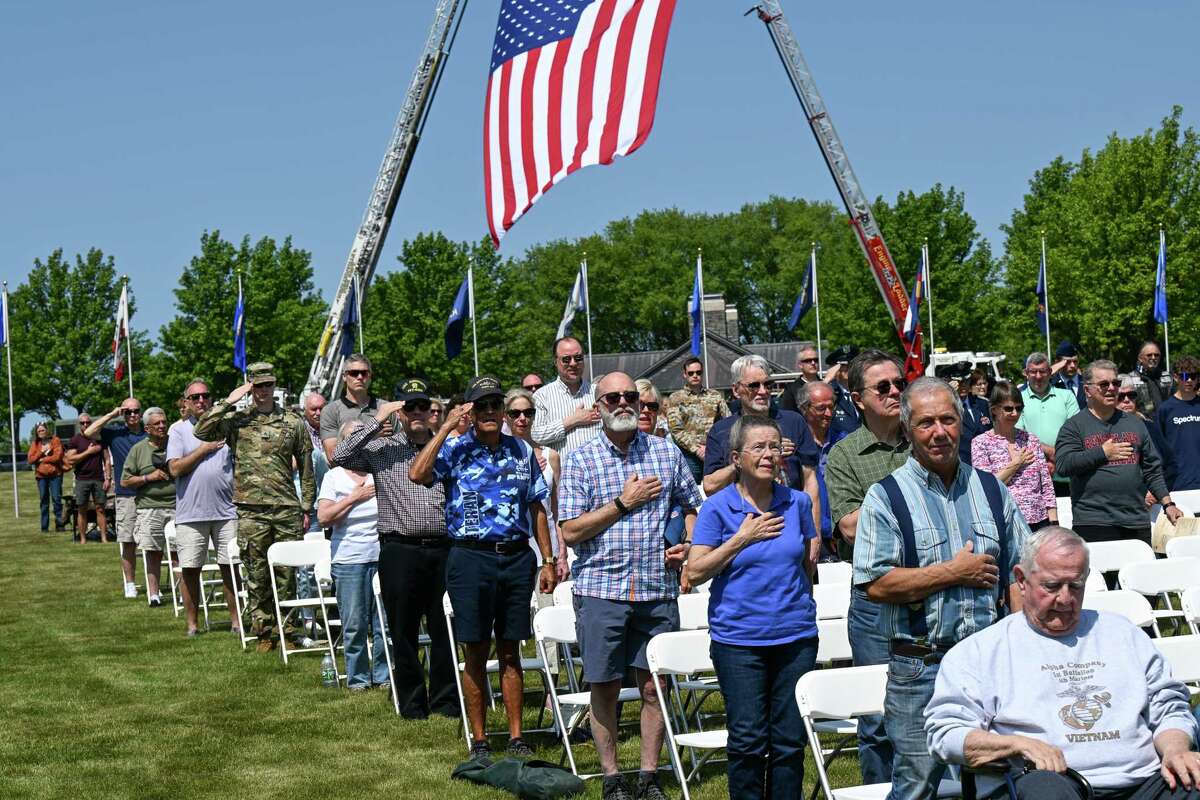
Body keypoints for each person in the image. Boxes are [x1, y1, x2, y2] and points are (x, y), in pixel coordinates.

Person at [926, 527, 1200, 799]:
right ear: (1021, 579)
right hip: (1052, 783)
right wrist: (1018, 744)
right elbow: (946, 735)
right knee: (1045, 791)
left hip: (1144, 781)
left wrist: (1176, 749)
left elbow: (1167, 706)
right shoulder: (981, 651)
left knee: (1192, 777)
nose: (1065, 598)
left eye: (1076, 586)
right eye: (1052, 586)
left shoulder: (1123, 633)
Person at [854, 376, 1030, 800]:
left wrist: (1023, 640)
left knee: (1002, 781)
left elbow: (1022, 568)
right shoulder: (886, 496)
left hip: (989, 665)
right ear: (908, 430)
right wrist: (953, 572)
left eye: (948, 420)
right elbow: (875, 584)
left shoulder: (991, 490)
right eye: (926, 423)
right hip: (921, 668)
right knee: (917, 787)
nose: (939, 432)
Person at [558, 372, 702, 800]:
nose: (623, 403)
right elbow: (569, 531)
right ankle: (611, 777)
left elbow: (692, 504)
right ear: (598, 406)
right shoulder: (581, 459)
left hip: (657, 589)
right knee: (602, 684)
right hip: (603, 588)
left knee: (653, 686)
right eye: (613, 397)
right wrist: (623, 504)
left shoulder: (664, 452)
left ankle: (648, 776)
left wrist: (689, 543)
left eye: (629, 397)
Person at [409, 375, 556, 760]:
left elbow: (537, 506)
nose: (490, 412)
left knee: (511, 650)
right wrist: (443, 429)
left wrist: (549, 558)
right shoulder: (456, 448)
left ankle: (516, 735)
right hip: (470, 557)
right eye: (482, 406)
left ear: (504, 413)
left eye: (496, 405)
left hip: (515, 555)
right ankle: (479, 738)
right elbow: (418, 474)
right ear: (470, 412)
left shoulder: (521, 451)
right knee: (475, 649)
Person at [688, 416, 819, 799]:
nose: (768, 454)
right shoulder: (717, 508)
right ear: (736, 457)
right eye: (758, 447)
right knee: (747, 740)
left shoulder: (796, 503)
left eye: (774, 446)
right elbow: (694, 572)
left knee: (790, 741)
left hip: (795, 638)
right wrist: (740, 539)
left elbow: (806, 563)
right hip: (739, 641)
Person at [332, 377, 456, 719]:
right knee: (402, 630)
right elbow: (339, 455)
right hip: (400, 549)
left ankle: (446, 701)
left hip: (443, 548)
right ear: (399, 411)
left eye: (423, 406)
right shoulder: (383, 448)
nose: (417, 413)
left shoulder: (446, 445)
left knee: (445, 628)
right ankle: (412, 702)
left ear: (432, 411)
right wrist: (378, 419)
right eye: (409, 406)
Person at [823, 348, 911, 784]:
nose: (895, 391)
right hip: (875, 599)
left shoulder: (929, 439)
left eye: (899, 383)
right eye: (883, 387)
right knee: (877, 716)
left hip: (932, 591)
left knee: (938, 708)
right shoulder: (845, 455)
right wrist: (912, 505)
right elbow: (853, 529)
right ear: (858, 398)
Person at [194, 362, 316, 653]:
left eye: (267, 385)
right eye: (257, 386)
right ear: (251, 387)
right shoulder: (238, 420)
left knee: (287, 573)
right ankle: (264, 631)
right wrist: (229, 401)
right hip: (250, 509)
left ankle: (287, 628)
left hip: (286, 507)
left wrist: (307, 507)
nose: (263, 391)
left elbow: (307, 466)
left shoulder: (293, 422)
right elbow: (202, 431)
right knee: (256, 573)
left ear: (274, 386)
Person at [1055, 359, 1182, 545]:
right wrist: (1102, 452)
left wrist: (1168, 504)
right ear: (1087, 390)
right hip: (1094, 522)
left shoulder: (1135, 424)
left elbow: (1152, 469)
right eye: (1104, 384)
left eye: (1116, 383)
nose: (1112, 388)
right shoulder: (1074, 426)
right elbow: (1064, 465)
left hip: (1136, 520)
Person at [317, 420, 387, 690]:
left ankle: (383, 676)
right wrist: (353, 498)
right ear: (345, 443)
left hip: (382, 556)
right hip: (349, 559)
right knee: (355, 623)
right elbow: (324, 517)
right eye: (355, 437)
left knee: (384, 623)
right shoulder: (333, 477)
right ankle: (357, 679)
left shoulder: (380, 471)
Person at [167, 380, 239, 637]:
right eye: (194, 397)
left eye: (205, 396)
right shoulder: (178, 430)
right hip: (191, 513)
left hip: (227, 511)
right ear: (186, 402)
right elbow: (175, 468)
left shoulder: (226, 427)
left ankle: (236, 621)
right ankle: (192, 624)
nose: (200, 401)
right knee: (190, 568)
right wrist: (204, 449)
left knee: (230, 566)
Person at [703, 354, 818, 497]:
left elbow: (810, 481)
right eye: (754, 386)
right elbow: (709, 487)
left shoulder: (794, 422)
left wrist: (811, 519)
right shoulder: (721, 430)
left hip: (790, 512)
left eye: (767, 384)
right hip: (742, 517)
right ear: (736, 390)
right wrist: (744, 461)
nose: (763, 391)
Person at [971, 381, 1057, 530]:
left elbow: (1046, 486)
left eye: (1019, 408)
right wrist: (1016, 464)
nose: (1015, 414)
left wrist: (1054, 522)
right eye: (1008, 408)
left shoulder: (1031, 439)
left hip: (1040, 523)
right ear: (994, 410)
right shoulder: (981, 443)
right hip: (1005, 523)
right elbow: (986, 487)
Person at [504, 387, 568, 580]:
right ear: (505, 417)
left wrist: (563, 554)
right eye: (515, 413)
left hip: (548, 551)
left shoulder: (551, 456)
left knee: (547, 607)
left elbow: (558, 512)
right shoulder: (497, 459)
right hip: (513, 549)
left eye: (528, 413)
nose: (522, 418)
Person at [85, 399, 147, 590]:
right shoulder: (115, 433)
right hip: (126, 496)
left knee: (154, 544)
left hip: (151, 494)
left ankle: (155, 587)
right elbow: (88, 432)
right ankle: (130, 584)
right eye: (128, 412)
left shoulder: (149, 432)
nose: (132, 415)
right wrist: (112, 414)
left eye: (136, 411)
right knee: (128, 541)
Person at [120, 407, 175, 608]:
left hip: (178, 505)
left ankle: (181, 592)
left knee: (179, 552)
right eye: (157, 424)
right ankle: (154, 594)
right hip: (149, 508)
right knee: (153, 551)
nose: (162, 426)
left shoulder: (175, 444)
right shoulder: (138, 450)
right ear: (147, 429)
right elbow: (125, 481)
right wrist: (147, 477)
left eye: (164, 422)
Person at [1018, 352, 1080, 498]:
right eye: (1033, 372)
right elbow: (1018, 435)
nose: (1038, 376)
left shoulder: (1067, 396)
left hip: (1065, 473)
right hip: (1031, 474)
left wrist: (1059, 456)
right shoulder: (1017, 398)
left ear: (1050, 372)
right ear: (1026, 373)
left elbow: (1076, 431)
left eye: (1043, 371)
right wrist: (1048, 454)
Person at [796, 381, 847, 558]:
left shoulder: (844, 441)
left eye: (831, 407)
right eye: (821, 408)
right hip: (807, 533)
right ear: (804, 409)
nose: (828, 414)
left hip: (842, 534)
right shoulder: (794, 445)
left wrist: (839, 529)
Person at [532, 336, 600, 457]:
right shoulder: (541, 396)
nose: (573, 363)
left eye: (578, 358)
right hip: (562, 473)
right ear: (555, 362)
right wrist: (572, 421)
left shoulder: (598, 393)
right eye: (566, 359)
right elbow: (535, 435)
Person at [666, 356, 729, 483]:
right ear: (684, 375)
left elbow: (728, 421)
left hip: (714, 452)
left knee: (717, 490)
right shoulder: (675, 398)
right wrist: (696, 449)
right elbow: (676, 429)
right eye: (691, 373)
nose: (695, 376)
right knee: (690, 493)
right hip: (689, 455)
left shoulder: (715, 396)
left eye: (698, 372)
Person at [319, 354, 383, 461]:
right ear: (344, 376)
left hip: (382, 474)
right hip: (346, 475)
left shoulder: (385, 408)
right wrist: (374, 434)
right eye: (354, 373)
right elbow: (333, 456)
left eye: (364, 373)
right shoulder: (330, 411)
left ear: (370, 376)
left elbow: (401, 447)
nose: (360, 377)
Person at [1155, 355, 1200, 493]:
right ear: (1176, 377)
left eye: (1194, 376)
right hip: (1177, 483)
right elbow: (1158, 449)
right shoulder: (1165, 409)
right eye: (1185, 376)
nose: (1190, 380)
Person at [65, 413, 108, 545]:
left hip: (98, 478)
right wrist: (88, 452)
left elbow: (107, 460)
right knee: (81, 509)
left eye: (88, 422)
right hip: (82, 479)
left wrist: (108, 478)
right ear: (79, 425)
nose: (85, 425)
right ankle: (83, 539)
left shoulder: (99, 438)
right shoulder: (75, 440)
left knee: (100, 509)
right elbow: (70, 459)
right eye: (82, 423)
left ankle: (104, 538)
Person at [28, 422, 65, 533]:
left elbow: (58, 457)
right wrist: (41, 452)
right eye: (38, 431)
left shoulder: (55, 440)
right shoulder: (35, 443)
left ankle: (60, 525)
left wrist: (42, 459)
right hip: (41, 476)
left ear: (47, 430)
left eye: (42, 430)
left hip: (55, 475)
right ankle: (44, 528)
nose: (40, 432)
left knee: (56, 499)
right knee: (44, 501)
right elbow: (30, 460)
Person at [1132, 340, 1174, 418]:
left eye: (1156, 355)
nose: (1153, 357)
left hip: (1167, 421)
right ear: (1140, 358)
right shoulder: (1131, 379)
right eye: (1149, 355)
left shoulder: (1168, 377)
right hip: (1144, 425)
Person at [958, 369, 992, 465]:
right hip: (961, 463)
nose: (963, 385)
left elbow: (990, 430)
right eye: (959, 382)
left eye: (966, 381)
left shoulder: (982, 403)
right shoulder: (948, 406)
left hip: (985, 462)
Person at [779, 343, 823, 413]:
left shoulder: (825, 385)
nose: (813, 363)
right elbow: (787, 414)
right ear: (800, 365)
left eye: (816, 360)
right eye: (808, 360)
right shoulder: (791, 389)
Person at [1050, 341, 1086, 409]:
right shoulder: (1052, 384)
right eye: (1068, 362)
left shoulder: (1087, 382)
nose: (1072, 365)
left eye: (1075, 361)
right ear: (1058, 363)